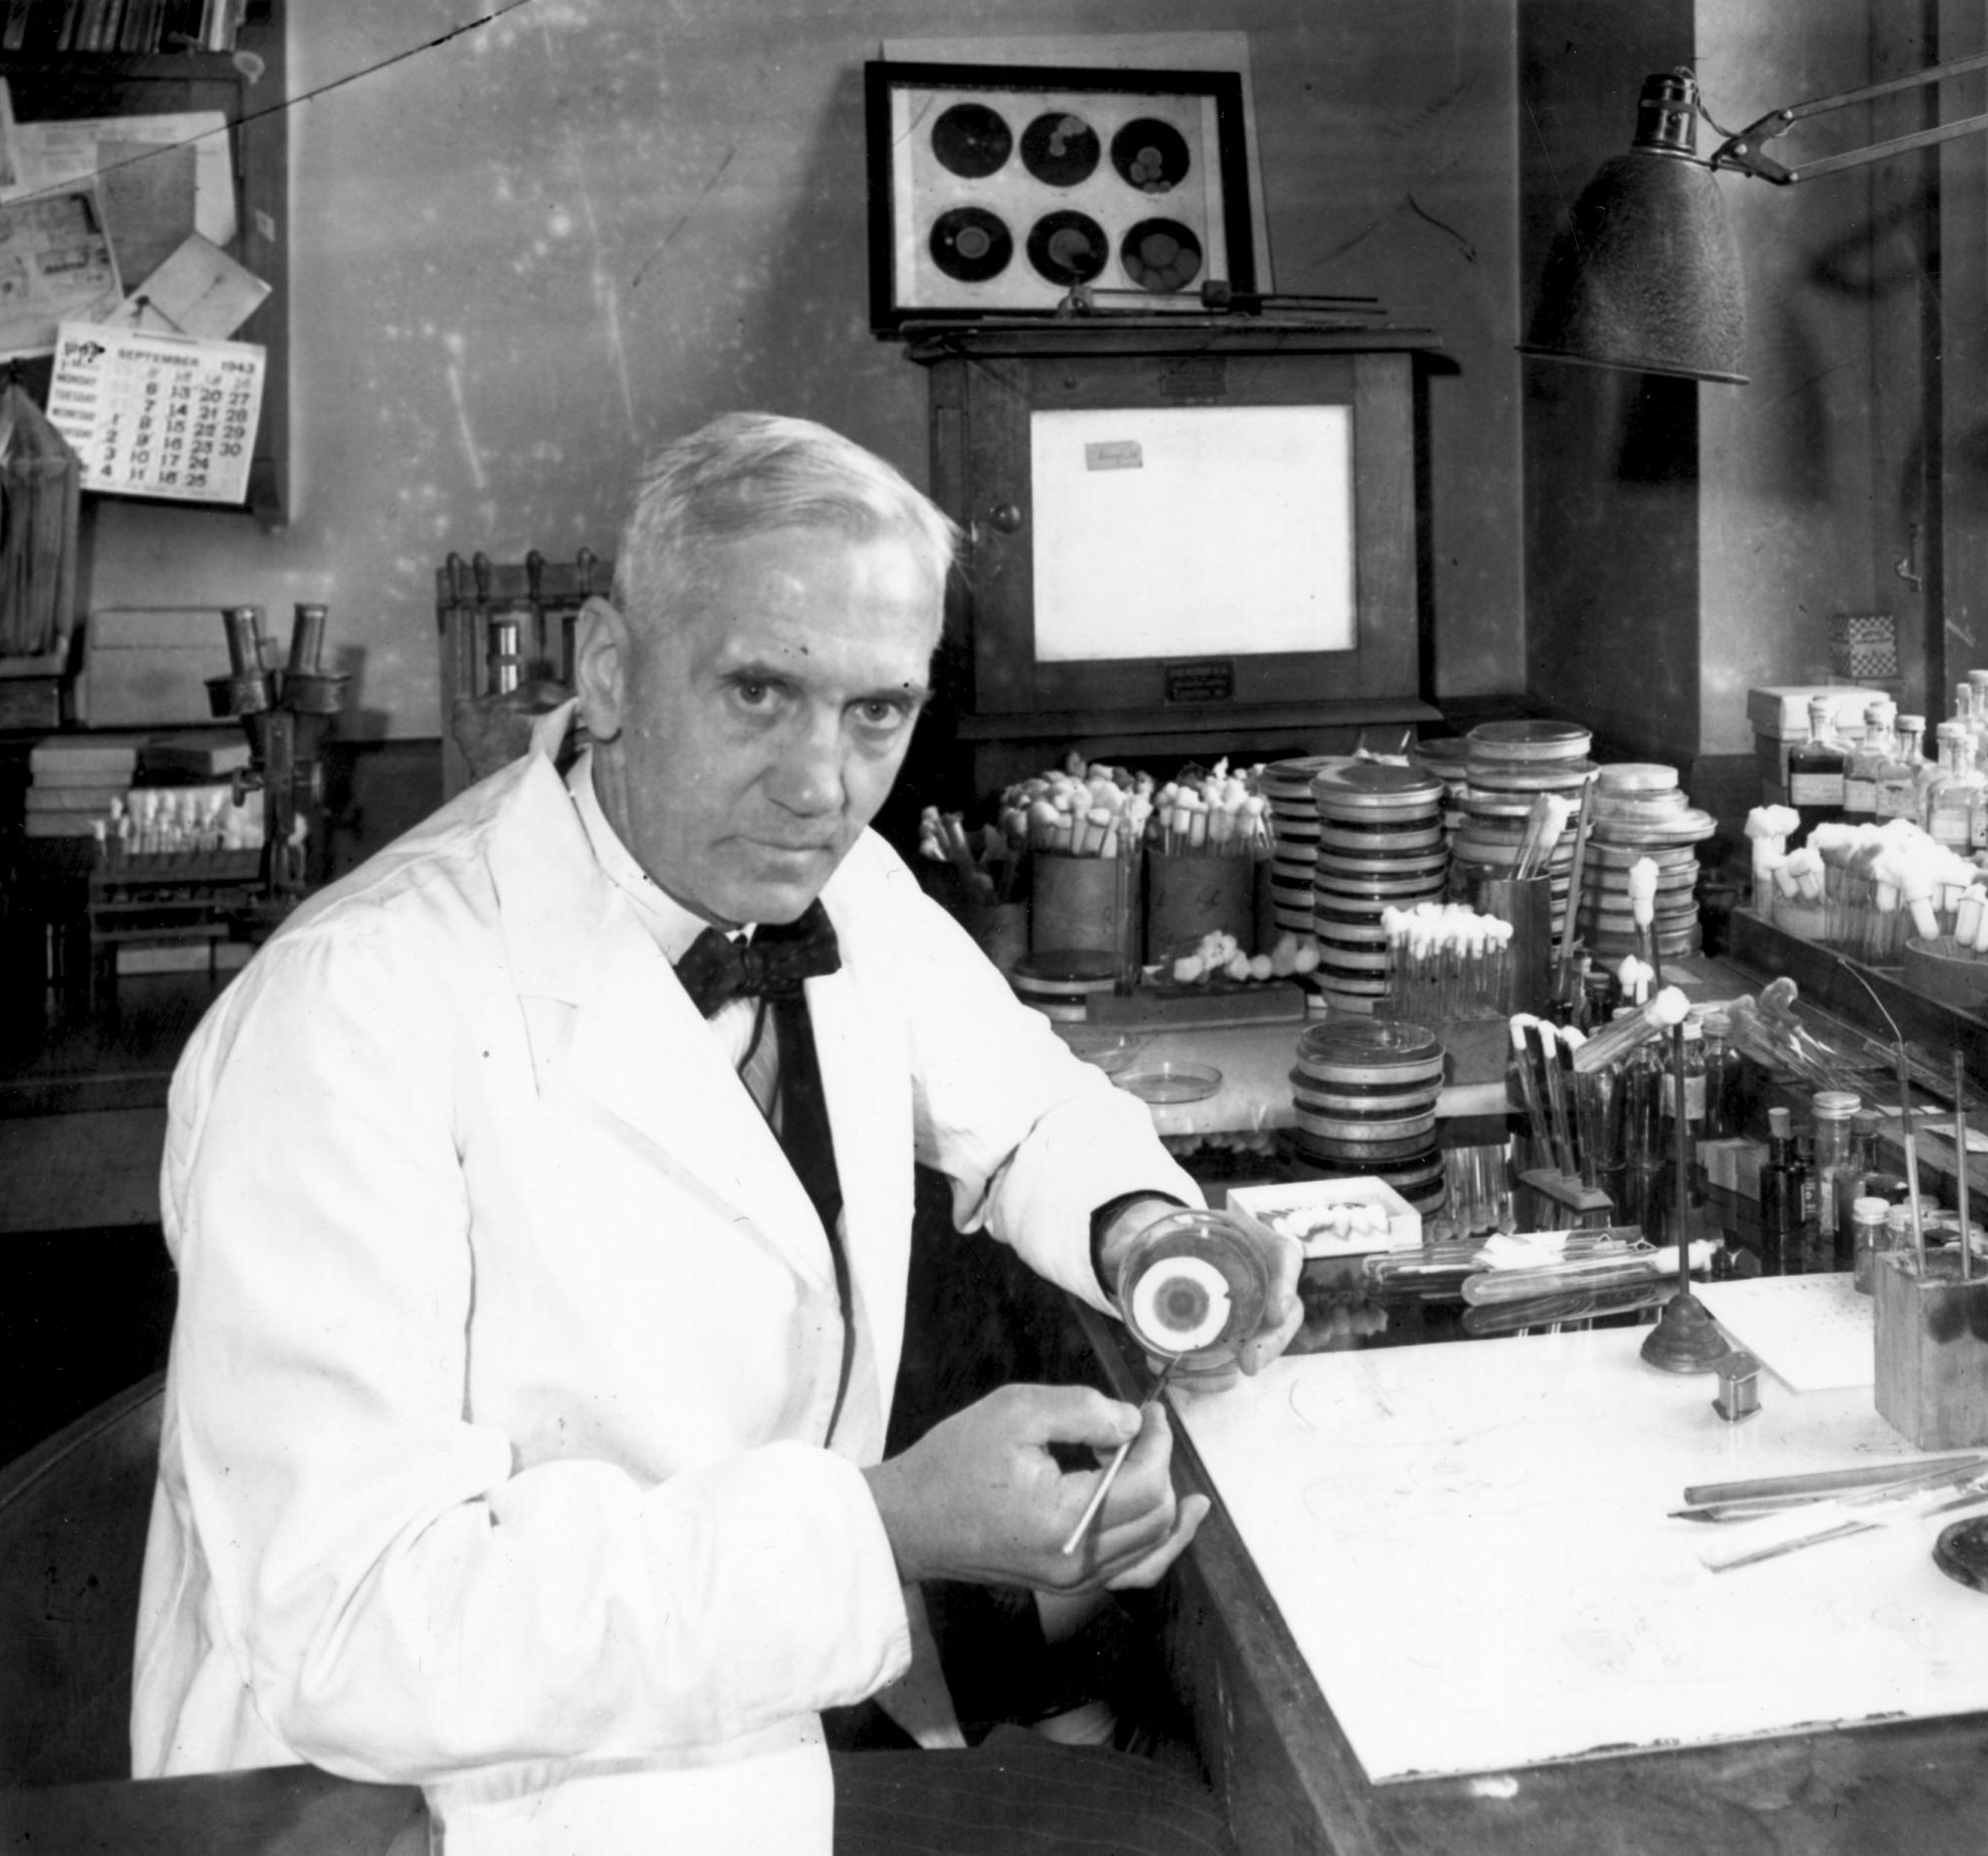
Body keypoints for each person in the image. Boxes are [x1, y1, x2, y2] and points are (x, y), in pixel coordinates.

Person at [131, 413, 1303, 1854]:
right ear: (610, 670)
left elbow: (1031, 1105)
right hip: (422, 1811)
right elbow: (353, 1632)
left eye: (877, 712)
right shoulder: (348, 1012)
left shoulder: (832, 882)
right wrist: (883, 1530)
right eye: (759, 691)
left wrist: (1146, 1234)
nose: (823, 780)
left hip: (728, 1741)